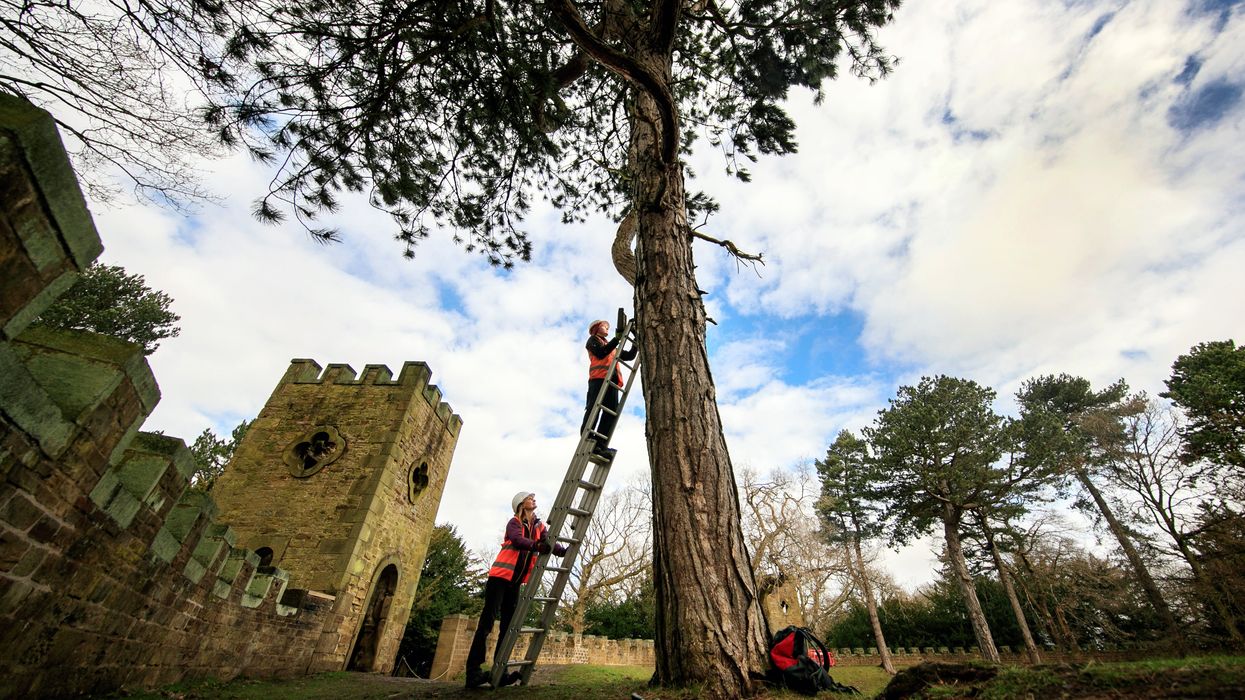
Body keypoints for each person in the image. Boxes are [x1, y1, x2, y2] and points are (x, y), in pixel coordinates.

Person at [465, 491, 568, 689]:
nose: (534, 500)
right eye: (530, 498)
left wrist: (563, 551)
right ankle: (473, 672)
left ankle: (500, 672)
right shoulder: (514, 523)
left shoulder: (538, 526)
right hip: (499, 578)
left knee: (508, 626)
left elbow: (548, 543)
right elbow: (518, 541)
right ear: (521, 503)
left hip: (515, 583)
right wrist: (537, 546)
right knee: (486, 623)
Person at [580, 318, 638, 459]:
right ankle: (588, 437)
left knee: (610, 412)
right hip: (598, 379)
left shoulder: (613, 348)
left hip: (612, 382)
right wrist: (617, 338)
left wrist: (636, 339)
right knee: (594, 408)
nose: (607, 328)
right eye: (604, 326)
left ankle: (600, 444)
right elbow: (601, 353)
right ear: (596, 328)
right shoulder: (593, 341)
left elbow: (629, 356)